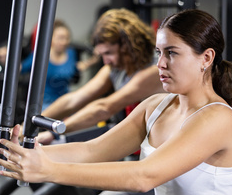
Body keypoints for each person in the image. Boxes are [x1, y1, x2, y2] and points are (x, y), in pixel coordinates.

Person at [0, 9, 232, 195]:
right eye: (159, 53)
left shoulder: (217, 117)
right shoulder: (156, 106)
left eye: (172, 53)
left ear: (206, 58)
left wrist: (47, 171)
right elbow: (92, 150)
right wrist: (23, 153)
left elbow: (144, 176)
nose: (160, 64)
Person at [36, 8, 162, 145]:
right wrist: (31, 123)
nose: (106, 61)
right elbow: (73, 100)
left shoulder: (155, 70)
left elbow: (104, 108)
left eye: (108, 53)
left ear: (127, 46)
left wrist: (52, 133)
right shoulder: (116, 68)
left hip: (163, 144)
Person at [19, 19, 88, 111]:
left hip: (65, 102)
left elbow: (75, 76)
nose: (64, 42)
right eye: (60, 38)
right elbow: (21, 69)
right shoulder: (41, 55)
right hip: (44, 104)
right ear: (51, 38)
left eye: (66, 38)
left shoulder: (71, 53)